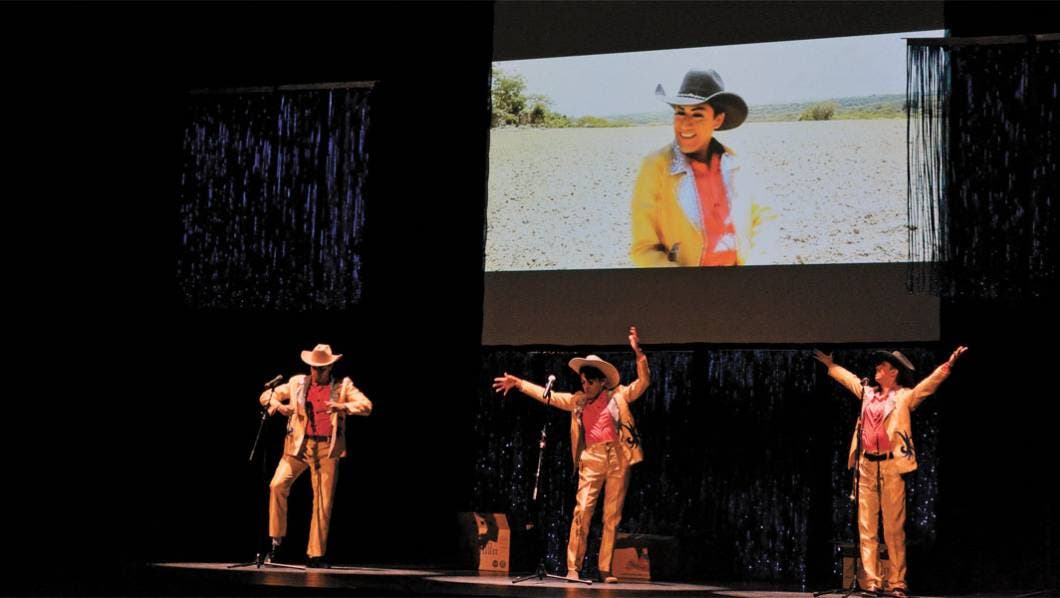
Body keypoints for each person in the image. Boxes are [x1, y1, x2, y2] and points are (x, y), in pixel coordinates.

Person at [492, 326, 650, 583]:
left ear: (602, 382)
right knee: (582, 512)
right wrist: (519, 384)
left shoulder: (618, 396)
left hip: (618, 458)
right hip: (592, 459)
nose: (585, 386)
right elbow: (550, 397)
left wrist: (638, 354)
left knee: (611, 516)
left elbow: (643, 383)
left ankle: (605, 569)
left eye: (590, 382)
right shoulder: (578, 402)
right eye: (583, 382)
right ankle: (573, 567)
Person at [813, 346, 968, 597]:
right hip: (865, 465)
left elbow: (926, 388)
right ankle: (872, 581)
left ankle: (897, 582)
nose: (877, 369)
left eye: (882, 366)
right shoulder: (867, 393)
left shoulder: (904, 397)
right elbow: (850, 380)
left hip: (891, 466)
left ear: (893, 372)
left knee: (893, 529)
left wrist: (947, 366)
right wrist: (832, 366)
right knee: (866, 527)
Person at [630, 68, 773, 267]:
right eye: (680, 113)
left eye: (697, 114)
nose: (685, 125)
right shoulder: (656, 166)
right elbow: (644, 249)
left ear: (717, 120)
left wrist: (756, 267)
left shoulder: (736, 163)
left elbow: (765, 218)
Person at [259, 343, 372, 568]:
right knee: (277, 485)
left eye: (321, 368)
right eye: (313, 367)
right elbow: (266, 395)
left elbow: (366, 406)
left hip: (326, 448)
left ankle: (315, 554)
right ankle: (276, 543)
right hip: (298, 446)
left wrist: (343, 406)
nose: (316, 372)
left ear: (330, 368)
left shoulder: (342, 386)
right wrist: (279, 407)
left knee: (322, 500)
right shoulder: (297, 382)